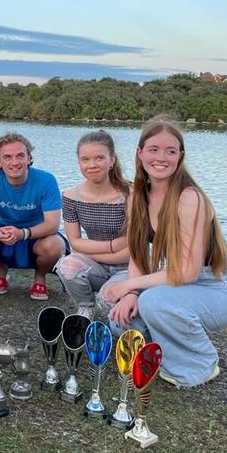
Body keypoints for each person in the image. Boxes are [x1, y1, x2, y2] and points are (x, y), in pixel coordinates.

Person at [98, 118, 227, 388]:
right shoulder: (137, 197)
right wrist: (129, 294)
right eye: (153, 149)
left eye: (171, 151)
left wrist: (131, 286)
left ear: (180, 156)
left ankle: (201, 363)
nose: (161, 158)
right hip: (175, 285)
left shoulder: (190, 198)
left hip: (214, 288)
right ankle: (162, 348)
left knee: (153, 301)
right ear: (140, 153)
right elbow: (139, 257)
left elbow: (188, 272)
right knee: (114, 310)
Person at [0, 132, 67, 301]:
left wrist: (23, 233)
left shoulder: (46, 180)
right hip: (4, 232)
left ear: (29, 158)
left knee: (56, 246)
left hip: (38, 234)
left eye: (20, 156)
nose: (14, 162)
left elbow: (52, 224)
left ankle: (40, 277)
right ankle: (0, 271)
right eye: (7, 157)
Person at [54, 130, 130, 318]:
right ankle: (86, 307)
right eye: (85, 159)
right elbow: (75, 243)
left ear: (111, 160)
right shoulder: (71, 196)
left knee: (107, 300)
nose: (92, 165)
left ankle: (105, 300)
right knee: (66, 266)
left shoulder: (131, 194)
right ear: (79, 162)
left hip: (129, 267)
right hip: (95, 264)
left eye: (99, 158)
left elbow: (133, 249)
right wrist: (112, 246)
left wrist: (90, 251)